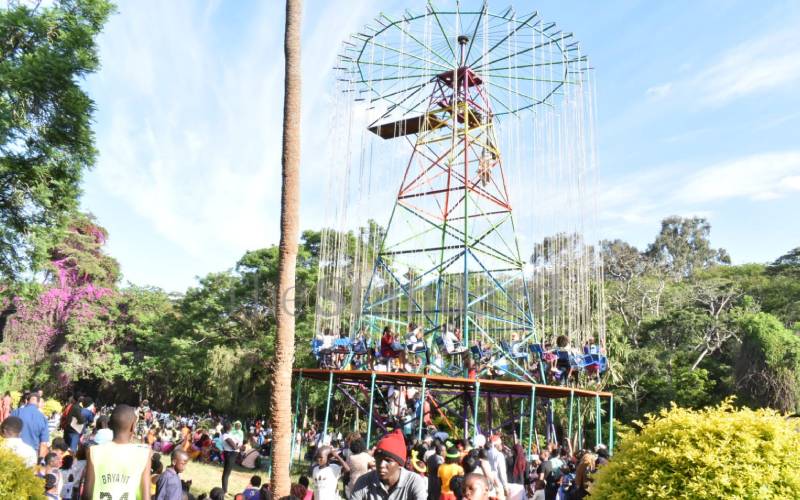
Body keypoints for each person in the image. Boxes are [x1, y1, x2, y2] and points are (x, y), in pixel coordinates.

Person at [82, 404, 152, 500]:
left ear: (109, 425)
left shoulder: (94, 451)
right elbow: (146, 497)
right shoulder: (144, 454)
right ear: (133, 427)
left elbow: (87, 494)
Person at [350, 429, 427, 500]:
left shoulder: (414, 482)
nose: (381, 464)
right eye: (378, 458)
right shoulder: (364, 481)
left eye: (388, 460)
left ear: (399, 464)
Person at [11, 392, 49, 459]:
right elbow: (43, 443)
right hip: (32, 455)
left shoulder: (16, 412)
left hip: (14, 451)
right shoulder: (43, 418)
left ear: (26, 401)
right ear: (38, 403)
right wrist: (40, 461)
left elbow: (6, 430)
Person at [221, 421, 242, 495]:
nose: (232, 427)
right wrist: (240, 447)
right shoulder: (226, 436)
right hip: (230, 454)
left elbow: (236, 443)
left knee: (227, 473)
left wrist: (238, 444)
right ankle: (224, 491)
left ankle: (225, 490)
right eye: (231, 426)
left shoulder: (229, 434)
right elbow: (234, 447)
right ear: (229, 427)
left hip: (232, 454)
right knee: (226, 474)